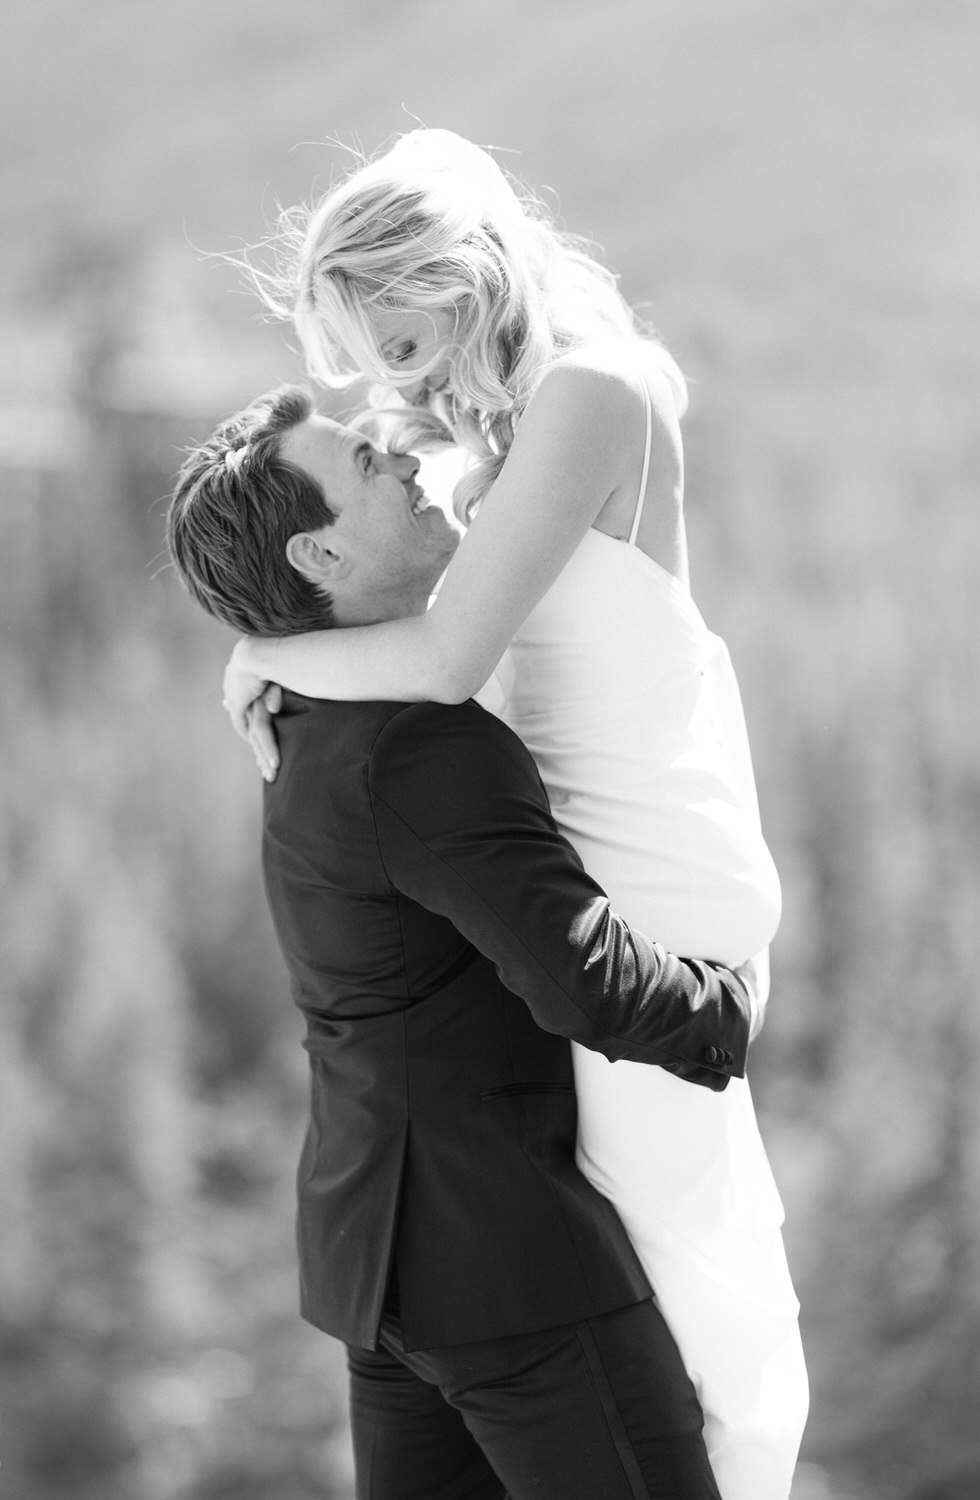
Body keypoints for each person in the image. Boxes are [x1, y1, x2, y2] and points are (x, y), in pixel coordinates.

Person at [220, 130, 809, 1495]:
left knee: (685, 1273)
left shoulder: (594, 394)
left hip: (652, 873)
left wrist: (261, 655)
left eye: (400, 343)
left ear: (463, 274)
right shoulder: (481, 433)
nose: (390, 384)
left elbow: (441, 660)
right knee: (651, 1263)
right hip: (585, 867)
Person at [166, 382, 761, 1500]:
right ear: (319, 558)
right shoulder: (412, 743)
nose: (398, 461)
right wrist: (730, 1005)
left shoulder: (303, 720)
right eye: (364, 465)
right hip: (508, 1269)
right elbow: (578, 981)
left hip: (373, 1270)